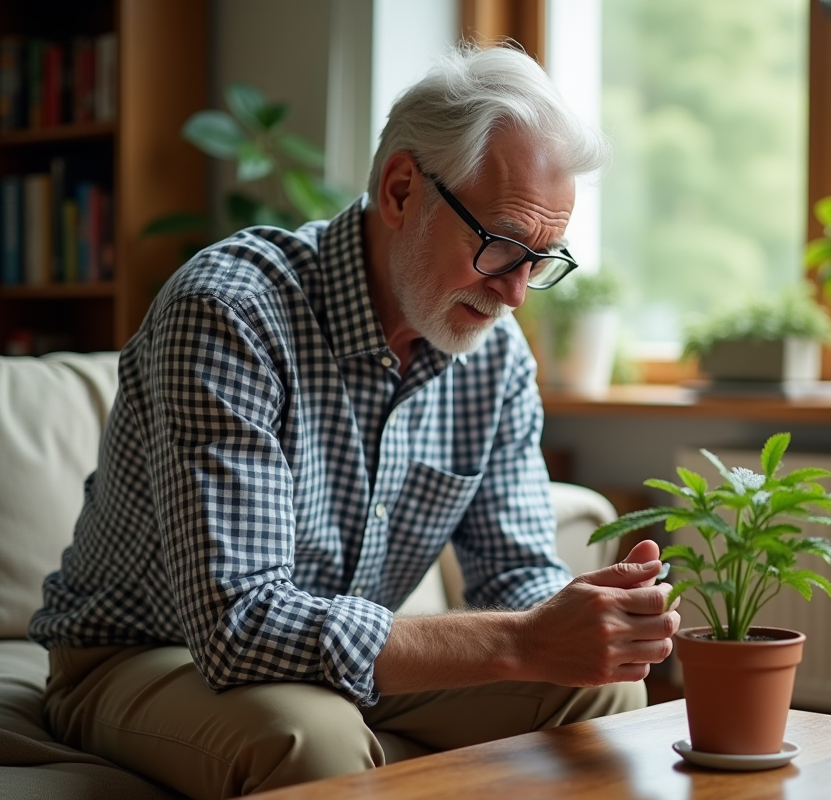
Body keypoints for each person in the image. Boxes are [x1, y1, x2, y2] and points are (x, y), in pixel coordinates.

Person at [28, 44, 680, 799]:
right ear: (402, 189)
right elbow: (239, 626)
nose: (516, 296)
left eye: (541, 259)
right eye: (501, 246)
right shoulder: (229, 312)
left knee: (597, 693)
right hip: (147, 651)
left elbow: (515, 570)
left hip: (331, 660)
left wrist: (585, 615)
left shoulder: (492, 354)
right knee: (311, 739)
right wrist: (522, 640)